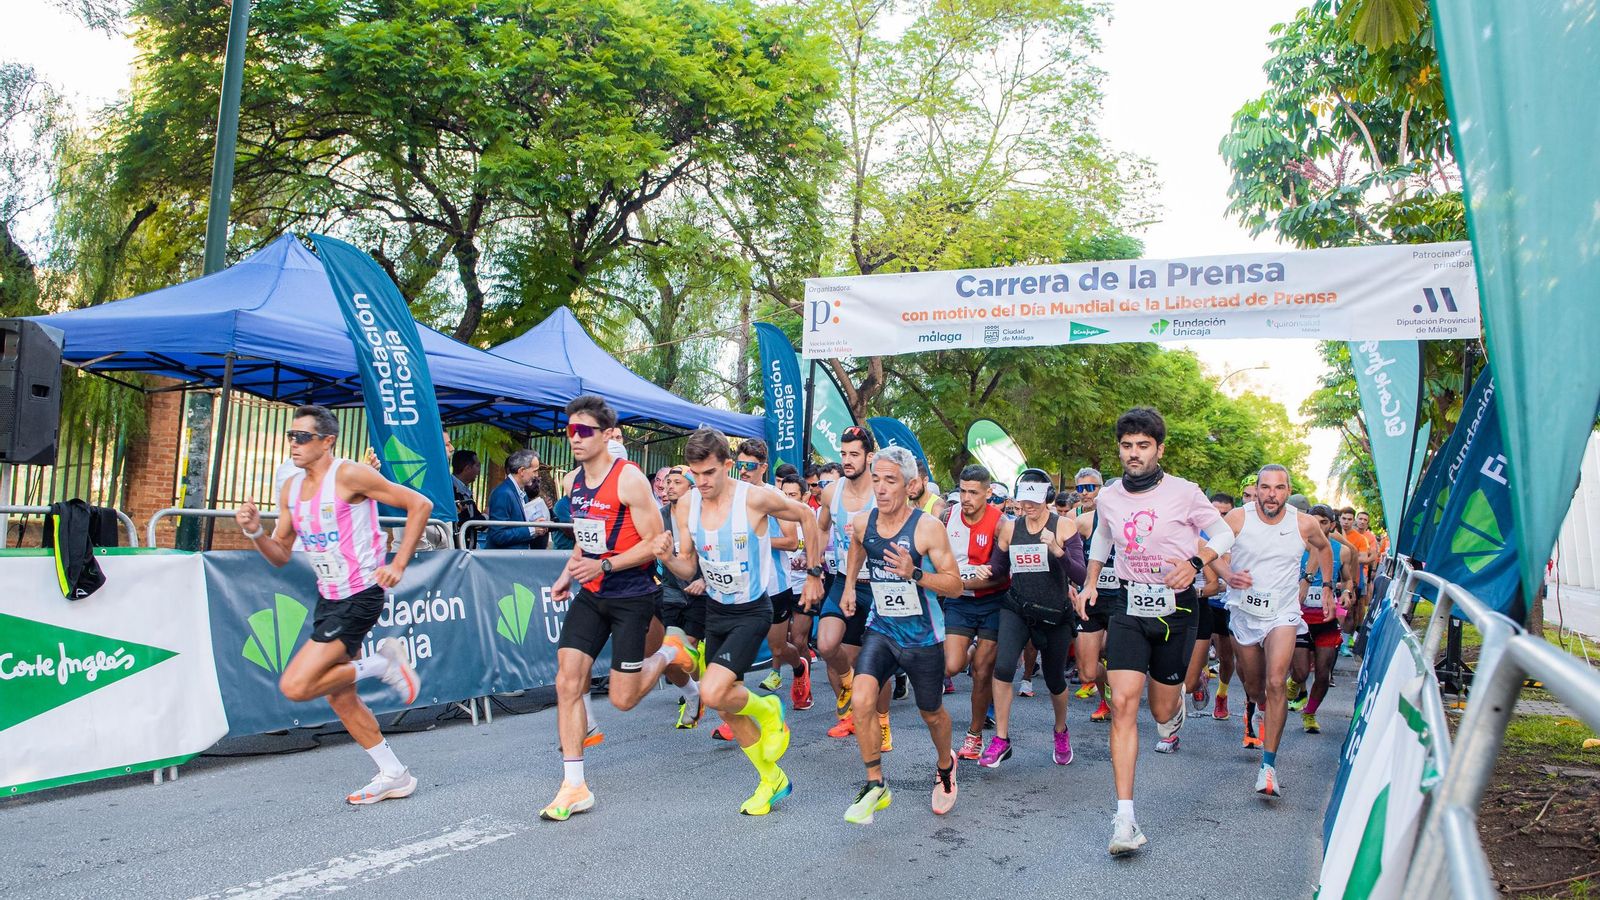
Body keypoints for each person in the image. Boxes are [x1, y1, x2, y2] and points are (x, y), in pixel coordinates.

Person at [234, 405, 431, 805]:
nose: (294, 444)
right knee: (340, 695)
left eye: (303, 437)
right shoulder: (290, 488)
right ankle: (393, 774)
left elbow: (420, 505)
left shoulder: (349, 475)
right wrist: (255, 531)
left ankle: (382, 664)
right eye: (290, 436)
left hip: (360, 594)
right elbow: (280, 554)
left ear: (327, 442)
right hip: (329, 596)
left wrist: (398, 562)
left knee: (296, 685)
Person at [1074, 408, 1237, 855]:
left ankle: (1177, 702)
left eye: (1143, 446)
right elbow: (1104, 539)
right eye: (1127, 446)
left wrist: (1195, 563)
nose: (1134, 454)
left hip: (1177, 607)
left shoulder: (1184, 493)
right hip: (1129, 603)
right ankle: (1124, 819)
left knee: (1161, 710)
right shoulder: (1107, 496)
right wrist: (1091, 581)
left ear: (1159, 449)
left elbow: (1223, 534)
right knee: (1122, 702)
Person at [656, 428, 825, 815]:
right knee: (727, 707)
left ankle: (769, 711)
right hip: (716, 611)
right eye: (695, 474)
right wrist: (667, 557)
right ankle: (772, 780)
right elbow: (687, 566)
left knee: (714, 692)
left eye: (710, 473)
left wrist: (814, 574)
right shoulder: (687, 505)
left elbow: (807, 518)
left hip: (751, 611)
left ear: (728, 466)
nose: (702, 483)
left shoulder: (755, 498)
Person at [541, 395, 679, 823]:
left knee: (622, 699)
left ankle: (669, 653)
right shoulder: (573, 482)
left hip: (633, 595)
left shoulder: (630, 480)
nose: (575, 438)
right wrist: (570, 570)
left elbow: (655, 546)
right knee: (567, 680)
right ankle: (573, 784)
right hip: (593, 593)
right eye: (570, 431)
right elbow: (586, 535)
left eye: (584, 431)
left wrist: (605, 564)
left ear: (605, 435)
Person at [838, 447, 965, 823]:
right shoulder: (863, 523)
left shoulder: (927, 527)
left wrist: (915, 573)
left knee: (932, 714)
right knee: (861, 698)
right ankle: (875, 782)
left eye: (889, 481)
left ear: (910, 486)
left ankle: (946, 766)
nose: (880, 488)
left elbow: (955, 585)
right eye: (875, 479)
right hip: (882, 629)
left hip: (923, 638)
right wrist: (848, 587)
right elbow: (858, 550)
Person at [1212, 465, 1333, 800]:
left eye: (1279, 488)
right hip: (1244, 612)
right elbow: (1210, 550)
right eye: (1265, 488)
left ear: (1287, 489)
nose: (1271, 495)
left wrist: (1321, 584)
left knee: (1277, 681)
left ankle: (1269, 766)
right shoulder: (1237, 518)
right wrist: (1228, 574)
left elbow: (1323, 549)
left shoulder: (1303, 522)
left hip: (1282, 612)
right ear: (1257, 489)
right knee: (1254, 687)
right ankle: (1262, 708)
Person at [985, 469, 1086, 767]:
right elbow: (999, 568)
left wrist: (1058, 551)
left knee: (1055, 680)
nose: (1026, 507)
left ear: (1046, 498)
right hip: (1017, 607)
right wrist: (984, 571)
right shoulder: (1009, 528)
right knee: (1003, 668)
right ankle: (1002, 739)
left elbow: (1079, 574)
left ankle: (1060, 730)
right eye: (1022, 502)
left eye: (1033, 502)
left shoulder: (1064, 526)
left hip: (1055, 614)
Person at [731, 439, 809, 720]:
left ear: (763, 467)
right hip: (741, 584)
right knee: (737, 644)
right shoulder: (732, 494)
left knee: (778, 646)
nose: (744, 471)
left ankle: (799, 667)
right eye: (740, 465)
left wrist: (758, 540)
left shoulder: (776, 497)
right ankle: (735, 712)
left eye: (750, 466)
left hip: (775, 584)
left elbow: (791, 542)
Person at [813, 426, 879, 741]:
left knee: (867, 659)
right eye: (844, 454)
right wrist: (815, 567)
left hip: (877, 583)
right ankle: (848, 687)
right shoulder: (832, 492)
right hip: (842, 580)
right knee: (826, 645)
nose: (848, 460)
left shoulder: (881, 493)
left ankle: (869, 720)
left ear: (870, 457)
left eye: (854, 454)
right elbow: (821, 528)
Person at [942, 464, 1009, 761]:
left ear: (988, 492)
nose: (966, 498)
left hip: (993, 602)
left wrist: (962, 581)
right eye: (962, 491)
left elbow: (1000, 573)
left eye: (973, 492)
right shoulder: (947, 516)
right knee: (952, 665)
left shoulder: (1000, 523)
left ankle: (975, 735)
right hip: (959, 601)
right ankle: (970, 651)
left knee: (982, 671)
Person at [1291, 504, 1356, 734]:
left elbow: (1348, 580)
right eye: (1314, 521)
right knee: (1299, 672)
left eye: (1323, 522)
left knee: (1322, 673)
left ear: (1332, 525)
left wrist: (1347, 592)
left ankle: (1310, 712)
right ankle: (1295, 685)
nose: (1318, 526)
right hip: (1299, 617)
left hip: (1326, 619)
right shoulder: (1296, 547)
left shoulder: (1343, 551)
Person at [657, 466, 708, 729]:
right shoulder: (659, 516)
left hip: (702, 592)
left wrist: (704, 580)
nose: (670, 487)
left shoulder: (703, 515)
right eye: (668, 483)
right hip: (671, 591)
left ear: (692, 487)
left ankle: (697, 692)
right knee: (670, 656)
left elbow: (716, 553)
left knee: (685, 649)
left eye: (677, 482)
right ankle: (695, 691)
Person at [1071, 467, 1112, 723]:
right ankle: (1106, 691)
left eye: (1091, 488)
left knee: (1112, 652)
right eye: (1081, 489)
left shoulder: (1132, 519)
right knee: (1086, 671)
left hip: (1121, 600)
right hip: (1091, 599)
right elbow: (1068, 558)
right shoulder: (1082, 521)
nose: (1086, 493)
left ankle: (1112, 701)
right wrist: (1070, 587)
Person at [779, 473, 819, 711]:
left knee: (799, 639)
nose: (788, 500)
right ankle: (799, 669)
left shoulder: (811, 518)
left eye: (792, 495)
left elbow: (820, 549)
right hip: (782, 586)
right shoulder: (776, 517)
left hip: (805, 586)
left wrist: (810, 562)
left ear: (804, 496)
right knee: (782, 642)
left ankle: (804, 689)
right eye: (784, 495)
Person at [486, 449, 542, 549]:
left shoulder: (521, 493)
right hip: (503, 561)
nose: (537, 475)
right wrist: (532, 529)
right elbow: (498, 535)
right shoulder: (503, 493)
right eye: (535, 471)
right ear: (521, 471)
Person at [451, 449, 485, 548]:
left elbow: (478, 523)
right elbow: (463, 521)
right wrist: (486, 516)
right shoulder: (450, 490)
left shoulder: (465, 491)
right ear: (467, 468)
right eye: (477, 466)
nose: (479, 471)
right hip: (456, 549)